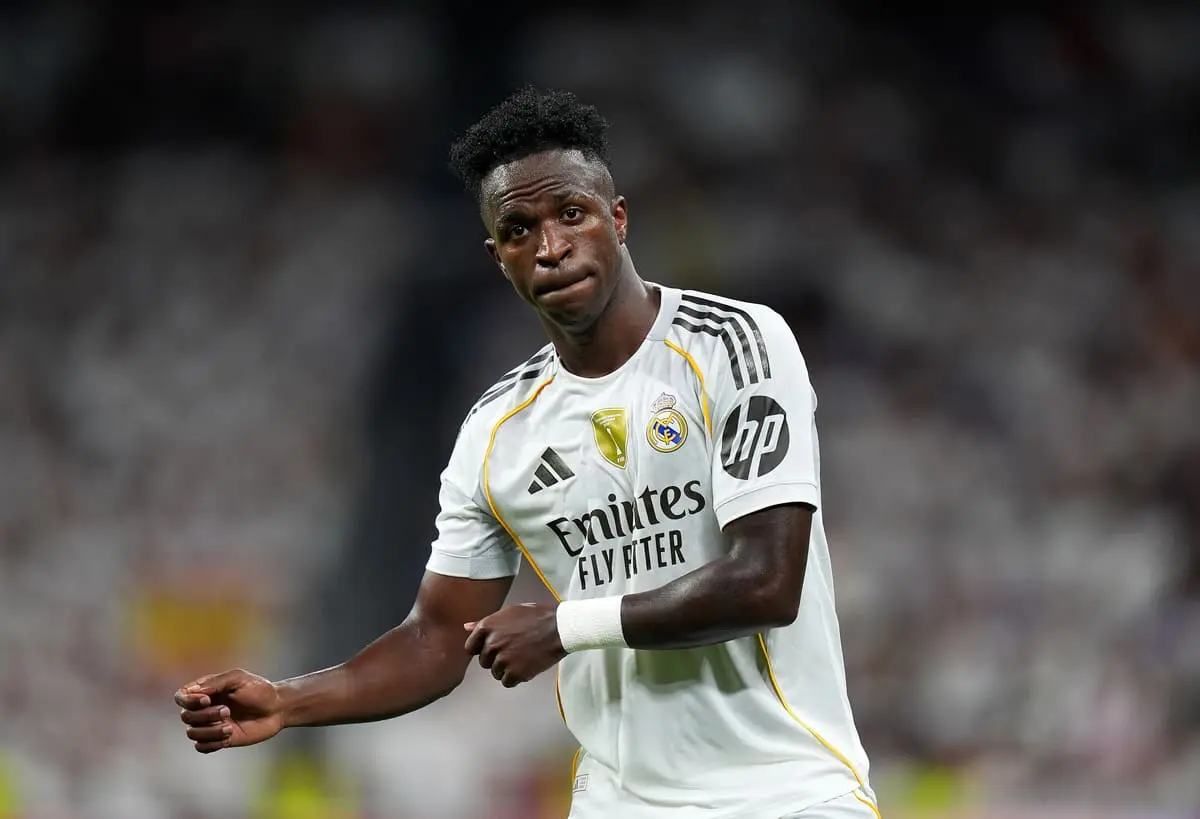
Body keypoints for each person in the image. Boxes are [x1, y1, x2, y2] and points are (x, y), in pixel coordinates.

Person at [175, 86, 879, 819]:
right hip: (623, 803)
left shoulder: (734, 342)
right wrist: (288, 700)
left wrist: (565, 625)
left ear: (618, 217)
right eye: (519, 229)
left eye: (571, 214)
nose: (550, 247)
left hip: (788, 792)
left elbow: (766, 579)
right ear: (497, 256)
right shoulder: (496, 432)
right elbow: (436, 637)